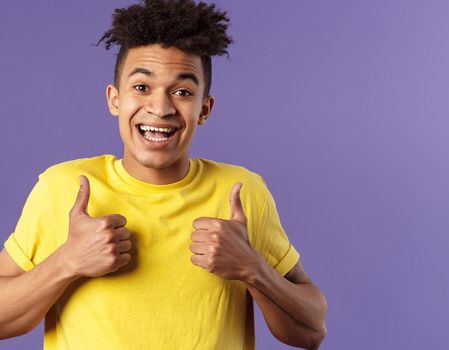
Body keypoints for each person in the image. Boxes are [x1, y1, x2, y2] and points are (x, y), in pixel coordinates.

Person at [0, 0, 327, 349]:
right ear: (114, 99)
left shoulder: (242, 193)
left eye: (183, 91)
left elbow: (310, 331)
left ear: (204, 108)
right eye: (142, 87)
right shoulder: (64, 189)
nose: (160, 108)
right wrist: (66, 262)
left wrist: (253, 269)